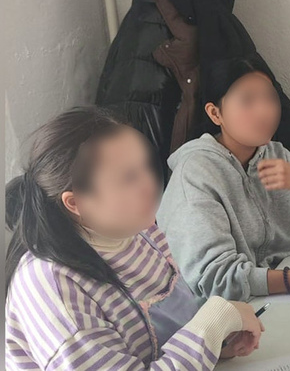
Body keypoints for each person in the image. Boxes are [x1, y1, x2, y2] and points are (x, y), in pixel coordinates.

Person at [5, 107, 264, 370]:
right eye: (129, 178)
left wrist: (214, 345)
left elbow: (172, 333)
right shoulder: (51, 286)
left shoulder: (138, 230)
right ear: (75, 203)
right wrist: (214, 322)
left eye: (145, 167)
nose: (149, 184)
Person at [157, 55, 290, 301]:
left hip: (271, 298)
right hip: (216, 312)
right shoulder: (196, 174)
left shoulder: (277, 154)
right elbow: (217, 279)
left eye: (270, 98)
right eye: (247, 101)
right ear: (215, 113)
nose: (264, 111)